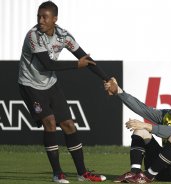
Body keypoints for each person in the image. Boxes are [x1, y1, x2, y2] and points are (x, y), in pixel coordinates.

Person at [18, 1, 112, 183]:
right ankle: (57, 173)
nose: (40, 20)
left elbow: (85, 58)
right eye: (38, 16)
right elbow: (49, 65)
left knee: (69, 124)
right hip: (30, 85)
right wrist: (78, 65)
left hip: (50, 84)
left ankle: (82, 173)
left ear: (55, 19)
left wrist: (106, 78)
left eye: (45, 17)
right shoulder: (33, 36)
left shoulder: (63, 36)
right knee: (50, 122)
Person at [104, 78, 171, 183]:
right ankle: (135, 173)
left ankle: (147, 176)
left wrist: (148, 126)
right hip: (162, 169)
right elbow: (142, 109)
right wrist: (119, 92)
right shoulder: (167, 115)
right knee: (141, 131)